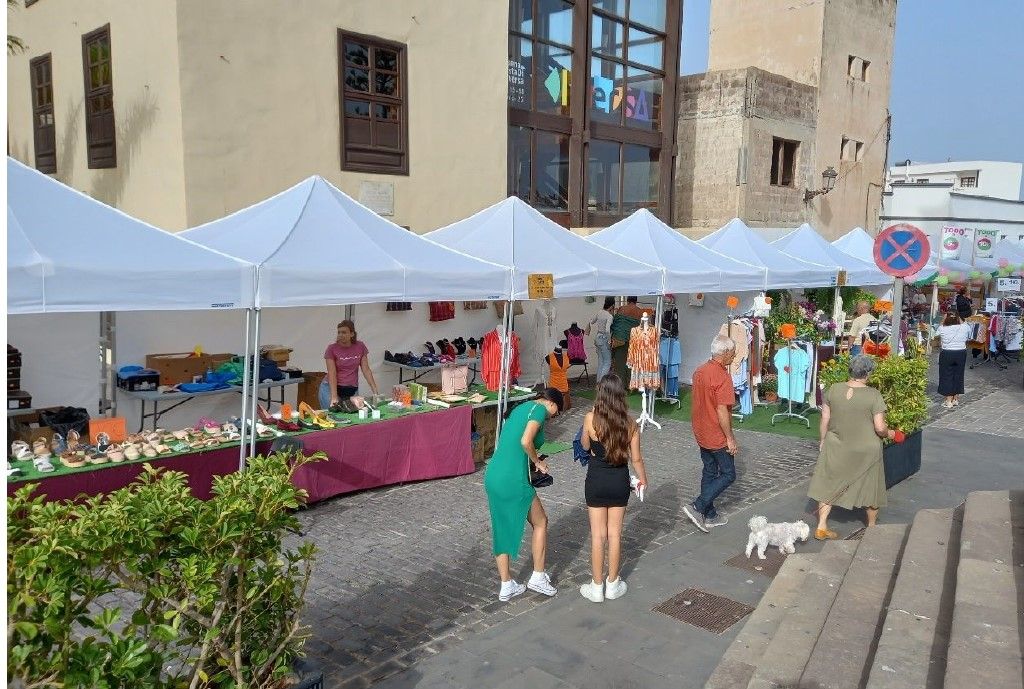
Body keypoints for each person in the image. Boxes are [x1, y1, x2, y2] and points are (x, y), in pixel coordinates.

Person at [483, 388, 564, 601]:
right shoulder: (538, 410)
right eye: (557, 412)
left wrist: (531, 461)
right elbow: (525, 441)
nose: (554, 417)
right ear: (552, 403)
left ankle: (506, 584)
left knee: (501, 528)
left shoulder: (521, 408)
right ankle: (538, 576)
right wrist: (537, 461)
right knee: (541, 522)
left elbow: (513, 444)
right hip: (513, 479)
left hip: (494, 475)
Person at [808, 355, 899, 539]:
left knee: (828, 484)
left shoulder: (834, 389)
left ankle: (821, 526)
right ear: (868, 373)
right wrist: (893, 434)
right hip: (866, 450)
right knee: (871, 488)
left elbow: (825, 418)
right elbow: (880, 427)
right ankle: (871, 528)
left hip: (836, 445)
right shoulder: (874, 395)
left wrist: (823, 440)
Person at [578, 374, 649, 603]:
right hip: (619, 480)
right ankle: (613, 584)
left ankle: (596, 586)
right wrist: (643, 479)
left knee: (598, 536)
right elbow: (636, 459)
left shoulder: (591, 418)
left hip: (596, 479)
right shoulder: (631, 424)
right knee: (615, 535)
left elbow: (585, 446)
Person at [683, 335, 738, 533]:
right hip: (716, 432)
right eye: (733, 352)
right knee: (729, 474)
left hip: (701, 429)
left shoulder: (700, 371)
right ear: (725, 353)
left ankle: (710, 514)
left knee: (709, 470)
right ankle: (698, 506)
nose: (734, 355)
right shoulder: (722, 376)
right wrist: (730, 438)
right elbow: (722, 410)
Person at [324, 320, 379, 407]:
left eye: (344, 332)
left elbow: (366, 370)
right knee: (333, 412)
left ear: (352, 334)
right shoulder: (331, 349)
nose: (340, 335)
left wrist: (375, 390)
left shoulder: (360, 346)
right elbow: (332, 373)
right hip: (331, 388)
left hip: (351, 389)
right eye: (339, 332)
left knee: (354, 412)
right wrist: (334, 397)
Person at [610, 297, 651, 384]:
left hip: (620, 340)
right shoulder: (640, 311)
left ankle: (620, 385)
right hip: (634, 340)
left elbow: (615, 323)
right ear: (636, 301)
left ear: (627, 301)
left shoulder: (622, 309)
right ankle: (630, 384)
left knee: (620, 363)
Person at [937, 311, 972, 408]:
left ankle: (948, 401)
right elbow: (969, 335)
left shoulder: (942, 328)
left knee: (946, 375)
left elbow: (935, 334)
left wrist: (942, 322)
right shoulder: (965, 327)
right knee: (958, 375)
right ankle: (955, 398)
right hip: (961, 352)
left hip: (947, 352)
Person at [587, 297, 616, 382]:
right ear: (612, 305)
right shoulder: (609, 316)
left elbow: (592, 321)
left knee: (601, 362)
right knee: (607, 362)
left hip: (597, 338)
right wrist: (609, 340)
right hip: (604, 339)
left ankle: (598, 382)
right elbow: (607, 330)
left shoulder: (599, 312)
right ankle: (601, 383)